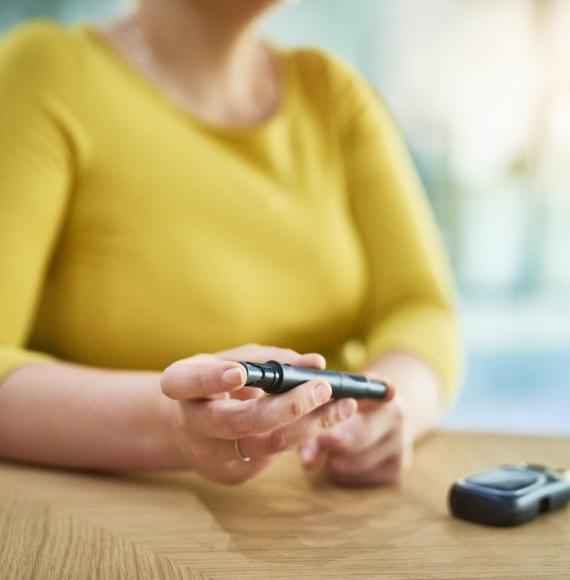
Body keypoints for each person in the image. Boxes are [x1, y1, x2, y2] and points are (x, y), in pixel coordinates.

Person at [0, 0, 462, 486]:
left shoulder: (334, 93)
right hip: (121, 525)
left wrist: (390, 407)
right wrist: (170, 424)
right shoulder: (45, 72)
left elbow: (420, 306)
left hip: (322, 517)